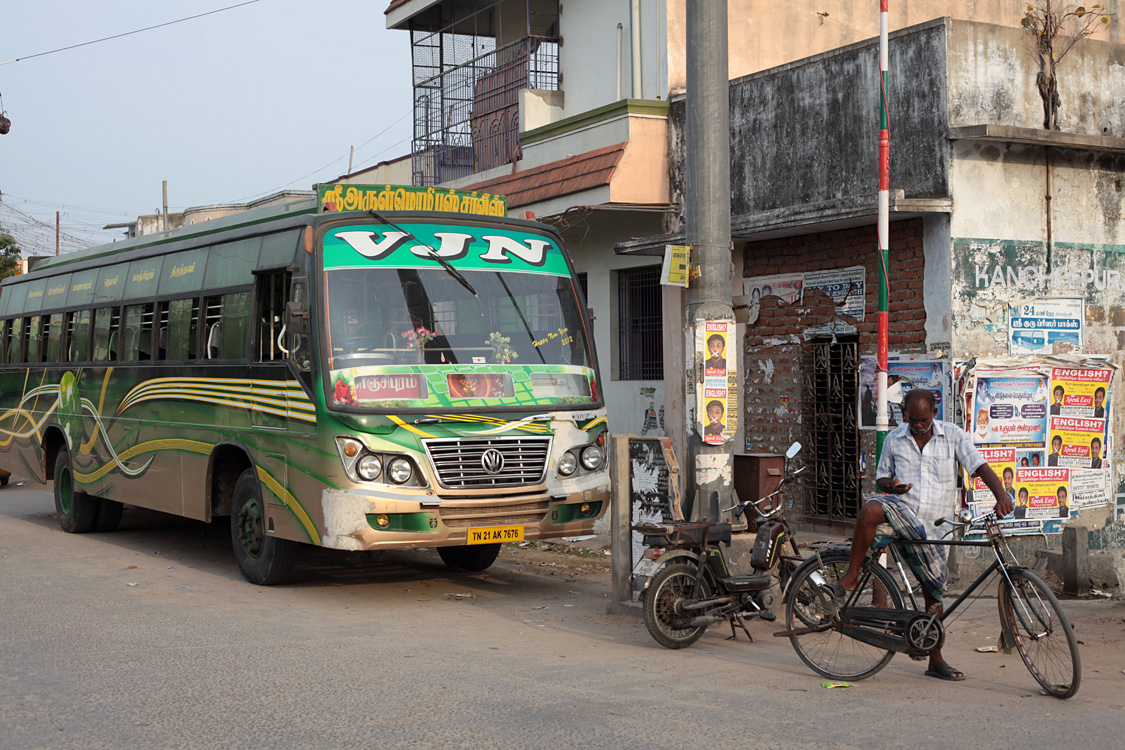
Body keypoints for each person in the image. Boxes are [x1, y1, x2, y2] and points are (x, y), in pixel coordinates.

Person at [834, 389, 1012, 683]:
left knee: (934, 595)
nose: (919, 425)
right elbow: (881, 477)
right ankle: (852, 573)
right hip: (901, 515)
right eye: (913, 420)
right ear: (905, 415)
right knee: (868, 511)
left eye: (924, 419)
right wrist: (891, 486)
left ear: (934, 413)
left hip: (936, 527)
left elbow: (979, 466)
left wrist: (1001, 493)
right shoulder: (895, 439)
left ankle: (935, 658)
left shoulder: (952, 435)